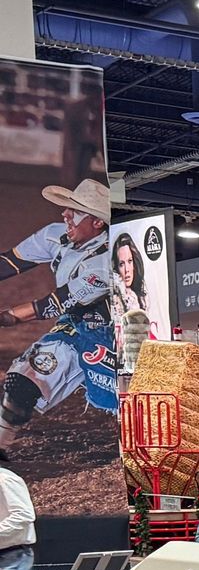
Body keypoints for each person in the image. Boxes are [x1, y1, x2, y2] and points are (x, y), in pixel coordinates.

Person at [0, 178, 114, 451]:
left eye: (75, 211)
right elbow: (10, 262)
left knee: (134, 401)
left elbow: (55, 303)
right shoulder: (56, 234)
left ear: (97, 222)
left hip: (114, 335)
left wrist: (6, 317)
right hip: (75, 326)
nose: (65, 214)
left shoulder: (107, 260)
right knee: (21, 384)